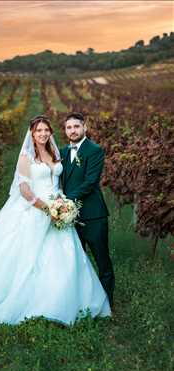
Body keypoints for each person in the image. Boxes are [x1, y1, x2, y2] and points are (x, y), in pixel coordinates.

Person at [0, 115, 111, 326]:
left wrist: (61, 205)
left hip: (58, 208)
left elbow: (64, 180)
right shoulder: (26, 156)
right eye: (38, 130)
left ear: (51, 132)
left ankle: (63, 301)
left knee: (65, 257)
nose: (43, 134)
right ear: (32, 134)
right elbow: (24, 189)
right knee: (25, 258)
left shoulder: (56, 153)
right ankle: (27, 303)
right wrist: (47, 208)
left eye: (46, 130)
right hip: (37, 210)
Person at [60, 112, 115, 308]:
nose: (72, 131)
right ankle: (80, 302)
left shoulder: (94, 150)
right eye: (68, 127)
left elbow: (90, 182)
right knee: (76, 261)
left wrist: (66, 200)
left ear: (85, 127)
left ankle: (107, 304)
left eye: (76, 126)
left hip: (93, 215)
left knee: (102, 260)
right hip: (68, 217)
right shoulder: (63, 152)